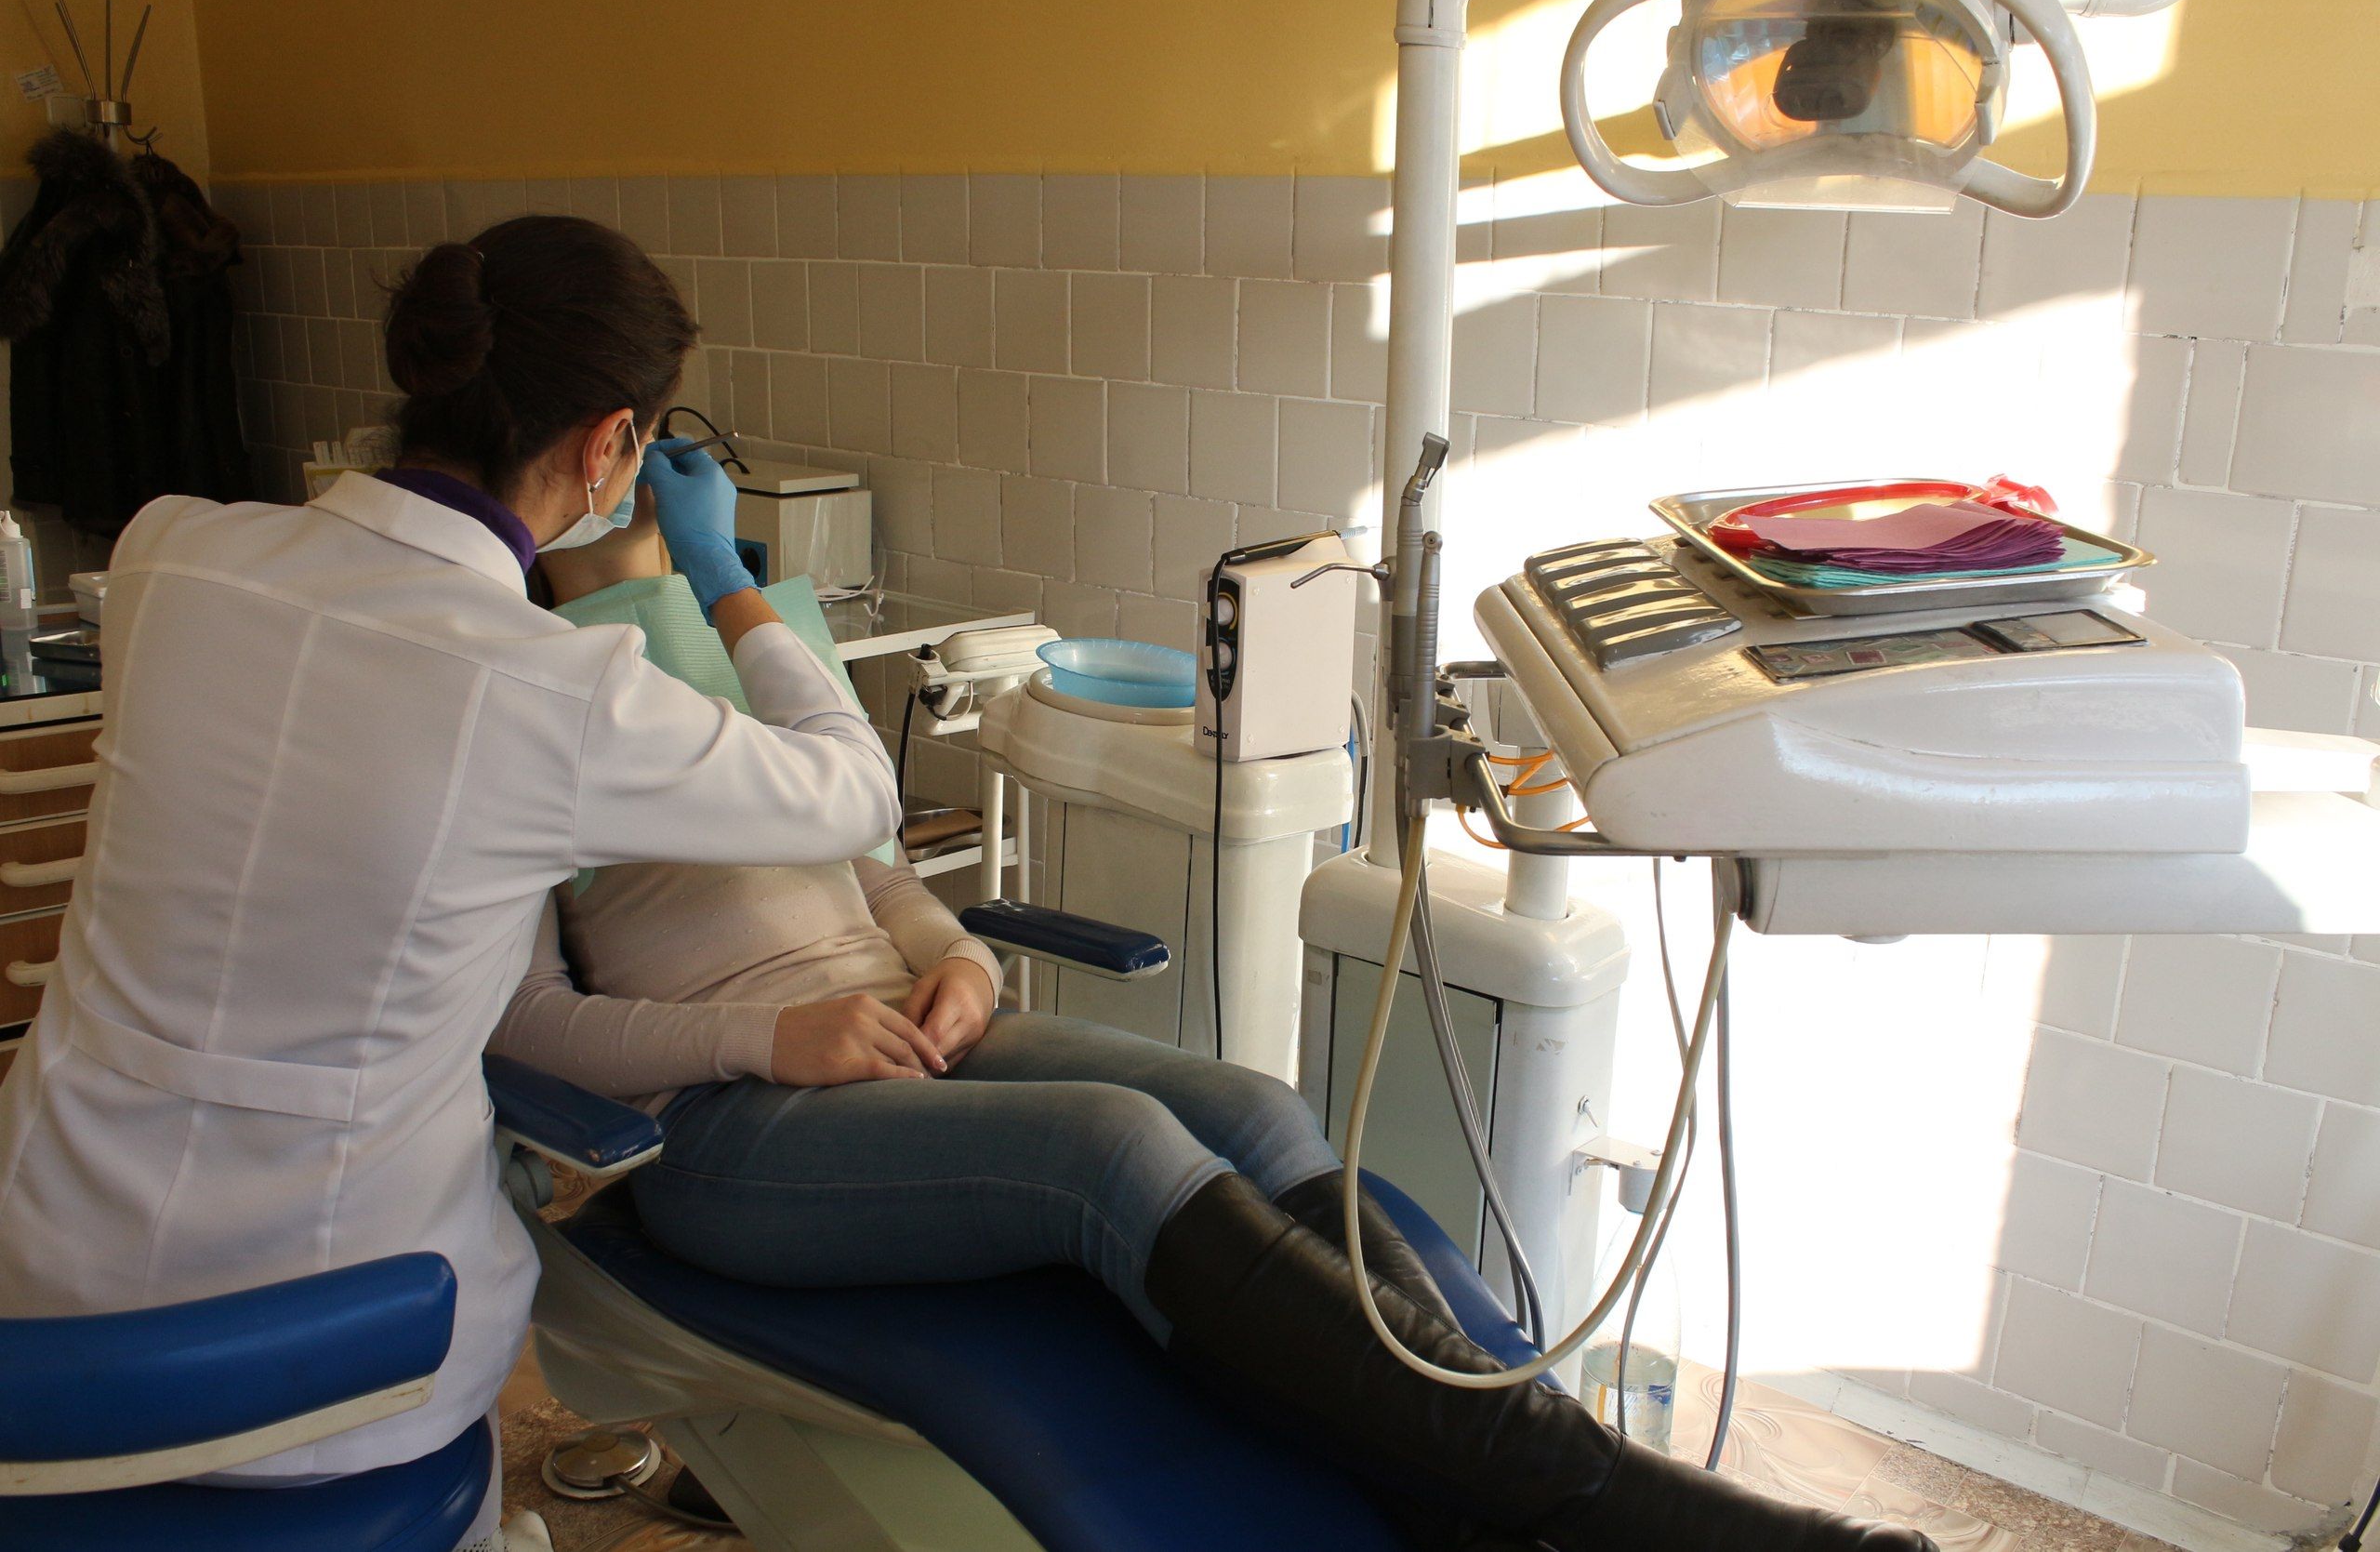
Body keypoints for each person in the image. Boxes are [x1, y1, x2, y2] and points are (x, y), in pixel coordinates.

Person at [497, 504, 1937, 1552]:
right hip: (734, 1124)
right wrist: (766, 1040)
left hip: (906, 1028)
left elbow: (876, 874)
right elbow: (526, 1023)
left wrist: (962, 966)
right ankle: (1612, 1505)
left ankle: (1474, 1512)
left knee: (1252, 1109)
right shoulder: (508, 709)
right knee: (1113, 1152)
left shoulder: (742, 656)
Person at [0, 215, 900, 1546]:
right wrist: (719, 572)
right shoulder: (560, 691)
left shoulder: (167, 555)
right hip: (335, 1358)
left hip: (42, 1299)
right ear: (609, 445)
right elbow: (859, 788)